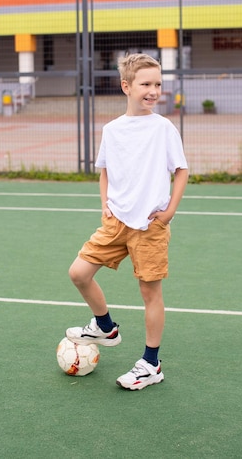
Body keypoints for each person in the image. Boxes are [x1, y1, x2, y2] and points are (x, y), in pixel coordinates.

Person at [66, 53, 189, 390]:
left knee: (150, 293)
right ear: (126, 86)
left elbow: (181, 170)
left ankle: (151, 364)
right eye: (146, 84)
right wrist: (104, 203)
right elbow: (105, 170)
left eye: (158, 84)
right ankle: (105, 326)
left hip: (150, 226)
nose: (153, 91)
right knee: (78, 273)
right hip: (115, 222)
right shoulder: (113, 130)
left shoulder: (163, 127)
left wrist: (169, 212)